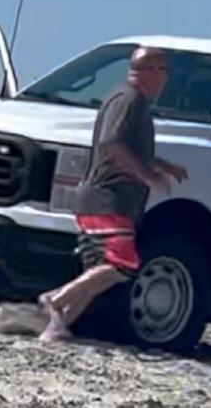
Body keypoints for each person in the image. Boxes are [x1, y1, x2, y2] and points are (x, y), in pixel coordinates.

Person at [37, 46, 188, 341]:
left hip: (110, 198)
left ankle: (55, 328)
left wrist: (165, 167)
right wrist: (146, 175)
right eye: (164, 71)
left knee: (104, 270)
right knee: (122, 264)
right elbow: (112, 145)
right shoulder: (128, 100)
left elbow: (132, 149)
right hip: (106, 198)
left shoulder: (134, 101)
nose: (166, 79)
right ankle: (54, 300)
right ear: (151, 71)